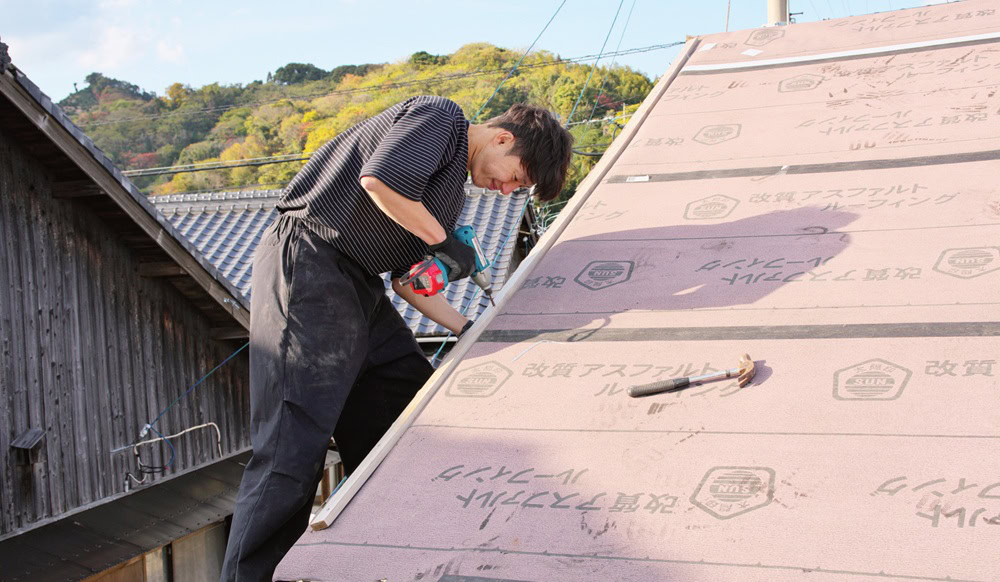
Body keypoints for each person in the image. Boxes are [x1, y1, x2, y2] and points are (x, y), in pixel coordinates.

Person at [220, 95, 573, 580]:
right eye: (517, 177)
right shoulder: (441, 118)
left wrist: (472, 329)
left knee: (403, 410)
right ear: (502, 139)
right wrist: (441, 241)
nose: (508, 191)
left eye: (518, 190)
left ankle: (381, 560)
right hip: (311, 259)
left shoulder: (447, 202)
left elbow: (409, 284)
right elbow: (380, 180)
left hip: (359, 283)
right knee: (291, 447)